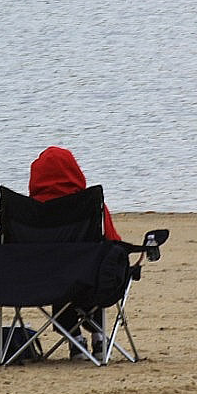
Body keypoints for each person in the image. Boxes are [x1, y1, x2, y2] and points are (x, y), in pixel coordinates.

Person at [27, 146, 121, 359]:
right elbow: (112, 241)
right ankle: (98, 336)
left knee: (60, 269)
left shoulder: (26, 209)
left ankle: (75, 338)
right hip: (88, 280)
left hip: (40, 282)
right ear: (74, 171)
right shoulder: (89, 203)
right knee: (91, 265)